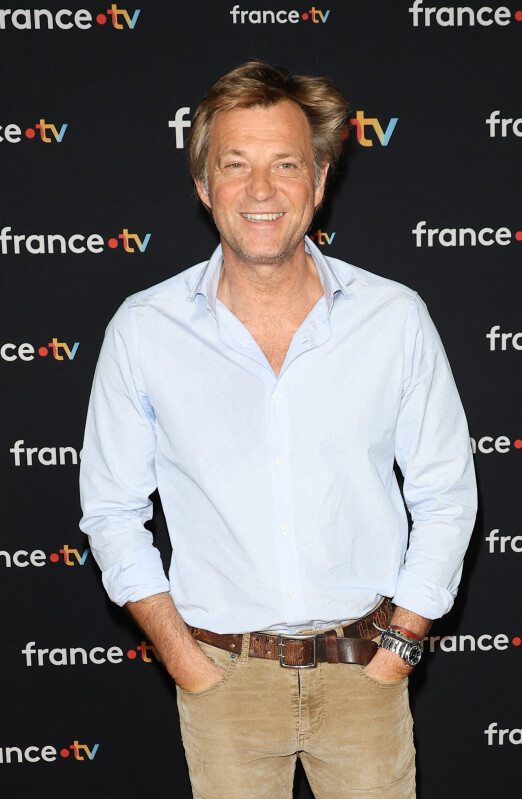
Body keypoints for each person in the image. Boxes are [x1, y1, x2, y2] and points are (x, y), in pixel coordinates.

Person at [79, 61, 477, 799]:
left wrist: (398, 647)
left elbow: (447, 494)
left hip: (368, 672)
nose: (260, 191)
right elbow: (111, 511)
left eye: (285, 165)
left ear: (319, 181)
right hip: (223, 682)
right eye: (236, 166)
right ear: (204, 186)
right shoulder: (144, 329)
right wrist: (185, 660)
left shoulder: (393, 318)